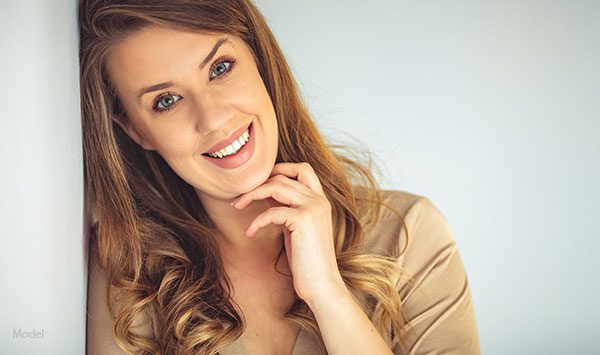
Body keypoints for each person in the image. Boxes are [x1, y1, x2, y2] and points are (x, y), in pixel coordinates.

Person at [79, 1, 481, 354]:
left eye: (220, 68)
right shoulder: (127, 269)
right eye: (166, 101)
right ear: (134, 130)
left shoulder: (408, 233)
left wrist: (329, 296)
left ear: (259, 61)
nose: (214, 118)